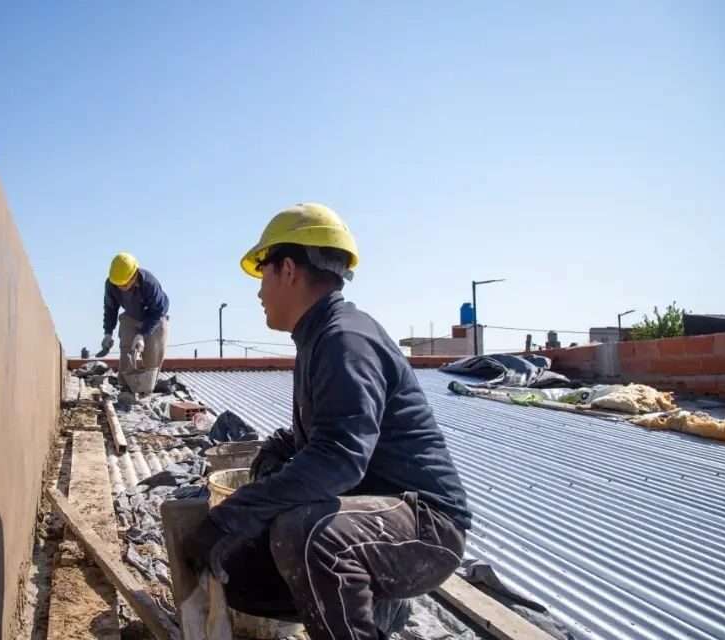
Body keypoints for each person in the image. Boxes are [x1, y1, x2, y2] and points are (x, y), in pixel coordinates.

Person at [182, 203, 472, 640]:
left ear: (287, 270)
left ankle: (368, 616)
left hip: (427, 529)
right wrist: (278, 451)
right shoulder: (320, 338)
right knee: (244, 573)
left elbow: (339, 458)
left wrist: (231, 516)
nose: (259, 292)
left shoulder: (345, 339)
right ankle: (375, 611)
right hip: (377, 515)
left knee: (307, 534)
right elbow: (328, 440)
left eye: (262, 275)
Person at [99, 252, 169, 394]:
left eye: (125, 284)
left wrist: (143, 334)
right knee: (127, 351)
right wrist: (108, 332)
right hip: (131, 316)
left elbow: (158, 310)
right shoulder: (111, 284)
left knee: (152, 357)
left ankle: (145, 390)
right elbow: (110, 308)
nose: (121, 287)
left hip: (155, 318)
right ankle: (126, 389)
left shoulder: (149, 284)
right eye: (118, 284)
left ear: (134, 275)